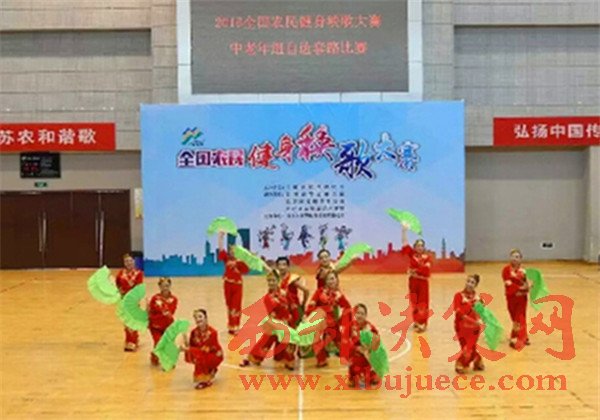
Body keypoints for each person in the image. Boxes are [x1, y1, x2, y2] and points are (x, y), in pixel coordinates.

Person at [239, 270, 296, 370]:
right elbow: (269, 314)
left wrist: (294, 320)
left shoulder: (285, 293)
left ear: (278, 281)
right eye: (269, 281)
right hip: (275, 325)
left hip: (287, 323)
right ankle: (251, 358)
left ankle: (286, 360)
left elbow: (293, 306)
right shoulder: (267, 298)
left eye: (273, 280)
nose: (271, 283)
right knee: (265, 341)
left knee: (284, 347)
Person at [306, 271, 351, 367]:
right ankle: (321, 360)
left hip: (331, 323)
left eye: (333, 279)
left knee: (340, 342)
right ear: (325, 281)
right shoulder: (319, 292)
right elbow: (310, 306)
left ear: (337, 280)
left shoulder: (338, 295)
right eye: (329, 279)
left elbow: (347, 308)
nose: (331, 281)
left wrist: (341, 320)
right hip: (319, 322)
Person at [400, 224, 432, 333]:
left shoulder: (427, 257)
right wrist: (404, 230)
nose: (420, 247)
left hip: (423, 283)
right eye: (418, 245)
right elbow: (405, 244)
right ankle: (417, 321)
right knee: (414, 301)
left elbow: (426, 271)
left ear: (424, 247)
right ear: (415, 247)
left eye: (421, 246)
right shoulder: (412, 255)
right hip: (413, 282)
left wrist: (413, 271)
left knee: (423, 302)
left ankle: (422, 323)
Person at [341, 303, 381, 387]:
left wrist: (369, 346)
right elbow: (344, 342)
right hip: (355, 355)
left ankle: (372, 373)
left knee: (373, 380)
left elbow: (377, 341)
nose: (360, 315)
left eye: (362, 314)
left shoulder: (369, 327)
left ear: (366, 316)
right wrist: (355, 348)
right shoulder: (350, 326)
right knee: (353, 381)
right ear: (355, 314)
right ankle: (353, 375)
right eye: (358, 313)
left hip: (366, 356)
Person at [217, 231, 249, 335]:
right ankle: (231, 326)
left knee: (236, 306)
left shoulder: (241, 262)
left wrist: (243, 260)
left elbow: (246, 270)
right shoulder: (226, 259)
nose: (232, 252)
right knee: (229, 306)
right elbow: (221, 249)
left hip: (237, 286)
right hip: (227, 285)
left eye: (235, 251)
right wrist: (220, 237)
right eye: (231, 250)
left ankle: (236, 326)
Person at [182, 309, 224, 389]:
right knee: (192, 355)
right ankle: (210, 370)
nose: (198, 319)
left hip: (214, 355)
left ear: (206, 318)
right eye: (196, 317)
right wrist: (186, 343)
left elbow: (206, 349)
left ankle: (205, 380)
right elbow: (192, 346)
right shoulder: (194, 332)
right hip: (202, 354)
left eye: (200, 317)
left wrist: (188, 349)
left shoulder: (212, 332)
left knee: (199, 356)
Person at [452, 274, 485, 374]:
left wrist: (481, 320)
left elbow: (482, 313)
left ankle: (461, 363)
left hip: (474, 329)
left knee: (468, 348)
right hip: (460, 327)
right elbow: (459, 313)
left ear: (476, 285)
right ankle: (477, 360)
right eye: (468, 281)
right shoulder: (458, 296)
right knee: (466, 347)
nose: (469, 284)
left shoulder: (478, 299)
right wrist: (474, 321)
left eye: (472, 282)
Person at [502, 249, 531, 349]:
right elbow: (508, 283)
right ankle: (522, 336)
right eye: (513, 256)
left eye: (517, 257)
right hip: (511, 298)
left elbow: (526, 284)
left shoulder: (524, 271)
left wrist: (528, 287)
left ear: (521, 259)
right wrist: (519, 288)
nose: (515, 259)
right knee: (514, 318)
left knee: (520, 318)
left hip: (522, 298)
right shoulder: (506, 270)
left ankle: (517, 337)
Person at [115, 253, 144, 351]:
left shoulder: (138, 273)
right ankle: (129, 340)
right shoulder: (120, 273)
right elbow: (117, 285)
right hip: (124, 300)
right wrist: (119, 292)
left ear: (134, 261)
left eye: (130, 261)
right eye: (126, 261)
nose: (129, 263)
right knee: (126, 322)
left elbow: (139, 288)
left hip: (133, 301)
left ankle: (133, 341)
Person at [148, 277, 178, 366]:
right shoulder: (155, 298)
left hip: (168, 326)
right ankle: (156, 356)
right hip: (155, 326)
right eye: (163, 286)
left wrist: (163, 312)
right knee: (158, 342)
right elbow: (151, 311)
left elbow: (171, 311)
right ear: (160, 286)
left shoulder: (174, 299)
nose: (165, 288)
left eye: (167, 286)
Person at [276, 256, 309, 328]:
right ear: (277, 266)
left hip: (294, 309)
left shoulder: (292, 279)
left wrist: (303, 303)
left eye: (284, 265)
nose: (282, 267)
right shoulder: (277, 279)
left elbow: (306, 290)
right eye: (280, 265)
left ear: (288, 266)